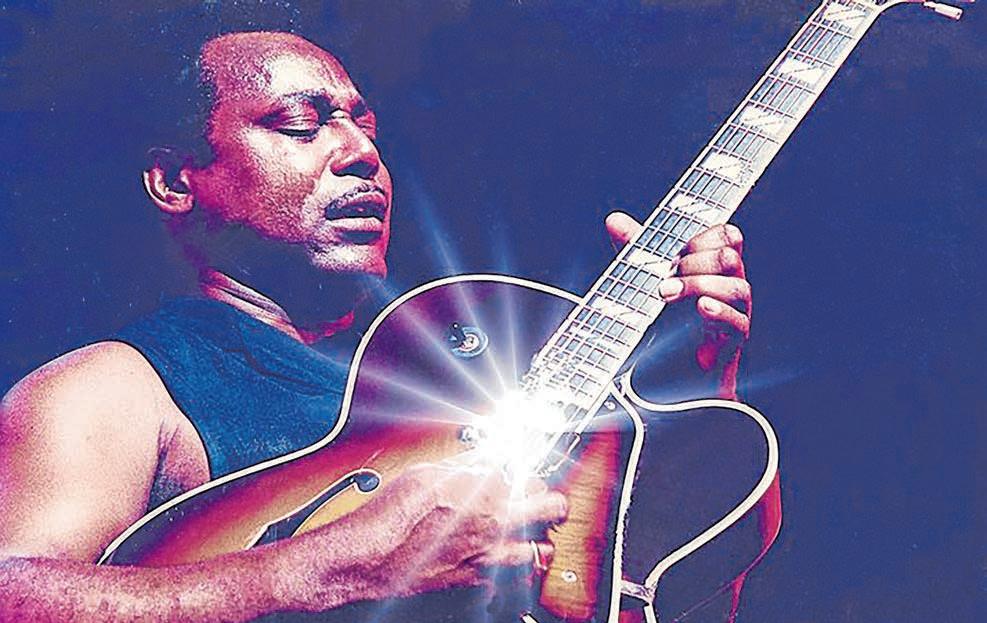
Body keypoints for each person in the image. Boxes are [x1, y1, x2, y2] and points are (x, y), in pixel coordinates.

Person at [0, 30, 755, 621]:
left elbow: (673, 601)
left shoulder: (458, 375)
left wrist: (698, 383)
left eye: (367, 128)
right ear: (174, 180)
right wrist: (324, 570)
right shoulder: (118, 385)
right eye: (302, 123)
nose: (360, 152)